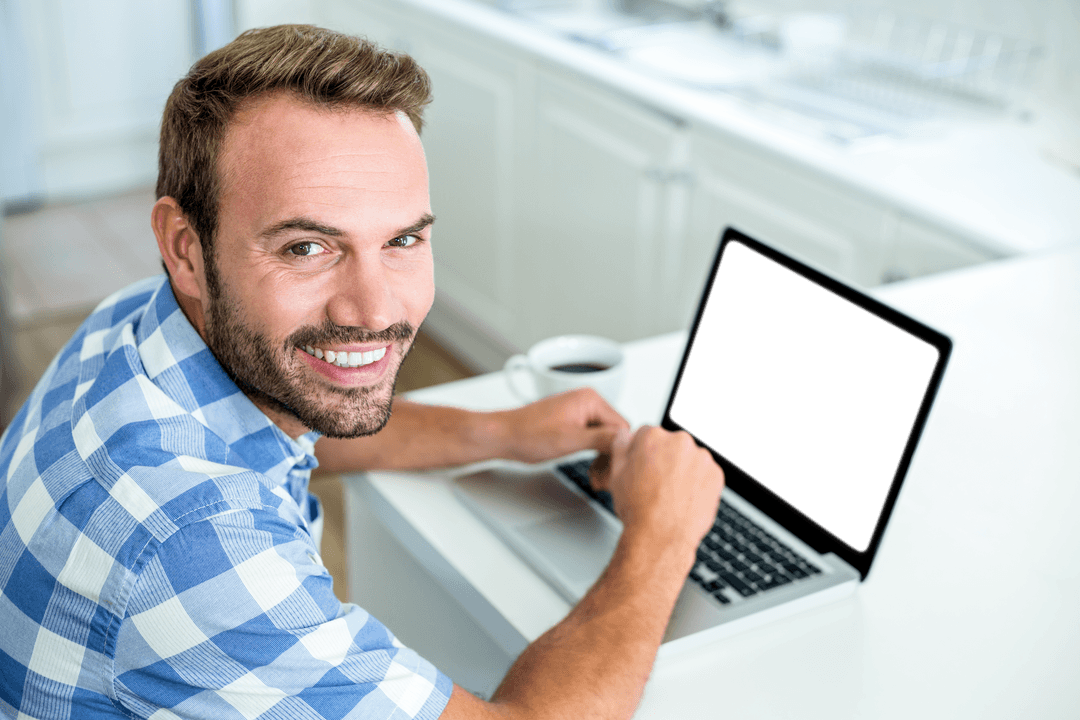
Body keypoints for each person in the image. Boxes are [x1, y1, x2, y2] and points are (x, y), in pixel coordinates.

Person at [0, 25, 724, 720]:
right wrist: (661, 536)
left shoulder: (136, 326)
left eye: (403, 238)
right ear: (186, 247)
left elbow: (284, 412)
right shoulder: (196, 547)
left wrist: (499, 431)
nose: (376, 308)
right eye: (307, 248)